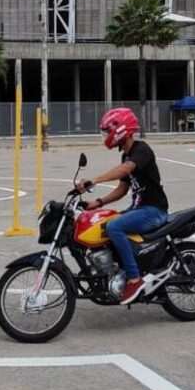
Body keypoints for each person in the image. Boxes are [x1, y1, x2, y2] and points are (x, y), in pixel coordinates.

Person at [75, 107, 169, 305]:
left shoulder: (141, 150)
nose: (107, 136)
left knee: (114, 226)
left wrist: (95, 180)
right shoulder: (125, 155)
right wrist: (97, 203)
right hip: (138, 209)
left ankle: (134, 280)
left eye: (108, 131)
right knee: (106, 221)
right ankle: (121, 271)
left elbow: (125, 170)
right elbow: (122, 189)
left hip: (154, 210)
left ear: (121, 130)